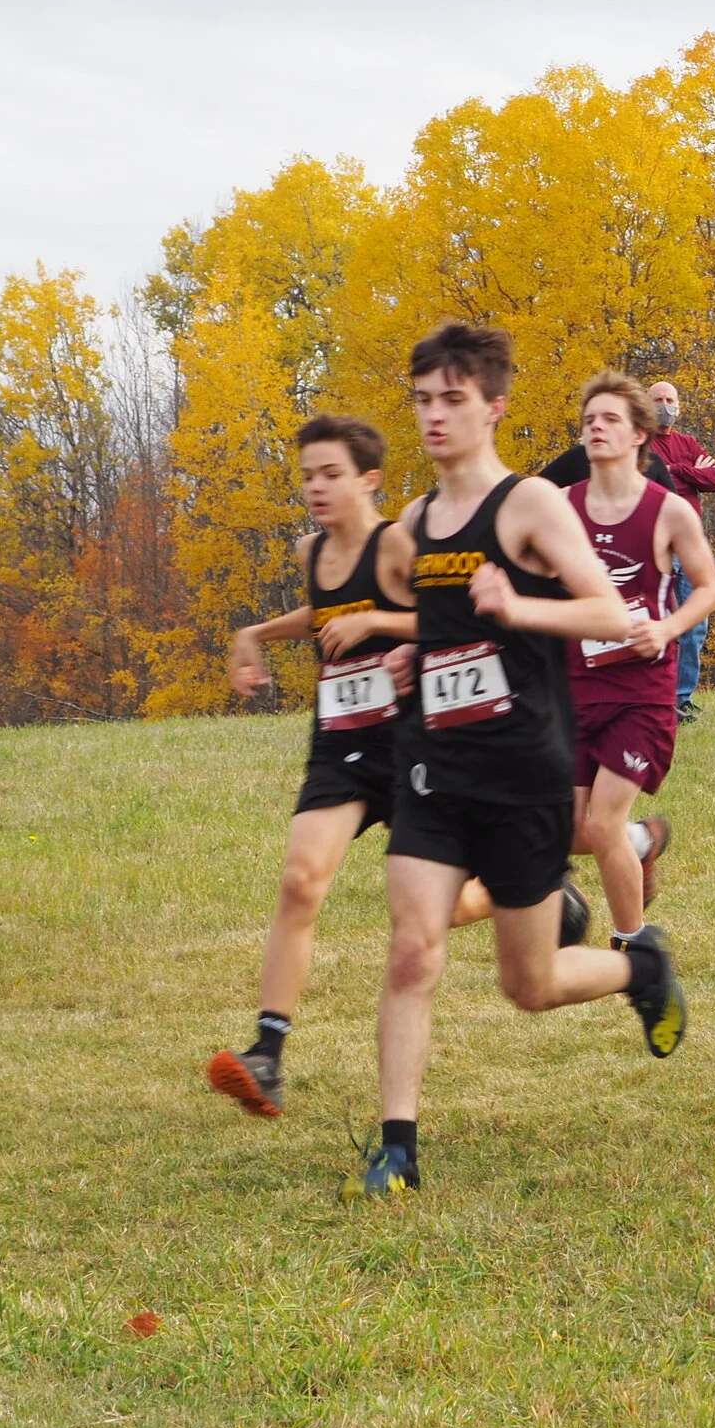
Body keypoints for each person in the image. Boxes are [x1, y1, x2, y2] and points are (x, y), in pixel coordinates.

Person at [347, 322, 687, 1201]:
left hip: (526, 770)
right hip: (435, 766)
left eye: (453, 400)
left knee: (527, 985)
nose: (433, 416)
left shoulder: (532, 504)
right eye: (422, 399)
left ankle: (639, 966)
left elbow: (613, 615)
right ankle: (397, 1149)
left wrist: (519, 611)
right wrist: (412, 654)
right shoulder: (415, 523)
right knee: (414, 947)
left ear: (493, 407)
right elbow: (449, 627)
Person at [205, 415, 574, 1117]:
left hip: (416, 744)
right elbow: (323, 611)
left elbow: (457, 616)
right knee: (299, 880)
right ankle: (267, 1054)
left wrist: (379, 623)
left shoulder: (400, 544)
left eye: (331, 473)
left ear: (369, 479)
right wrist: (252, 632)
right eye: (308, 474)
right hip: (341, 745)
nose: (316, 486)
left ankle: (530, 892)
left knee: (429, 915)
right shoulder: (311, 549)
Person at [563, 371, 715, 942]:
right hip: (576, 686)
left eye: (610, 419)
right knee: (573, 831)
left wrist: (667, 627)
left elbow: (708, 588)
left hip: (642, 691)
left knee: (601, 821)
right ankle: (641, 841)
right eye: (589, 420)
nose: (596, 428)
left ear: (638, 435)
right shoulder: (560, 509)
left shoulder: (668, 510)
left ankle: (635, 946)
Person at [647, 380, 715, 721]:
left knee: (695, 623)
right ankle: (656, 696)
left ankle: (683, 695)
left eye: (671, 400)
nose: (666, 406)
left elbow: (714, 479)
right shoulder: (639, 442)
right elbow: (649, 481)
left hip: (691, 544)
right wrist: (690, 474)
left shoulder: (688, 443)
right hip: (654, 543)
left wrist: (676, 470)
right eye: (659, 400)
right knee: (657, 619)